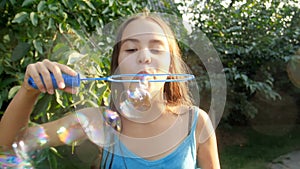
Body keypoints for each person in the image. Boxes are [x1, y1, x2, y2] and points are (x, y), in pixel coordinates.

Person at [0, 12, 220, 169]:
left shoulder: (196, 122)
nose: (144, 56)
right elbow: (8, 144)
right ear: (117, 66)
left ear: (171, 66)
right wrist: (28, 91)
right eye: (131, 49)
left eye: (156, 49)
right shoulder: (99, 123)